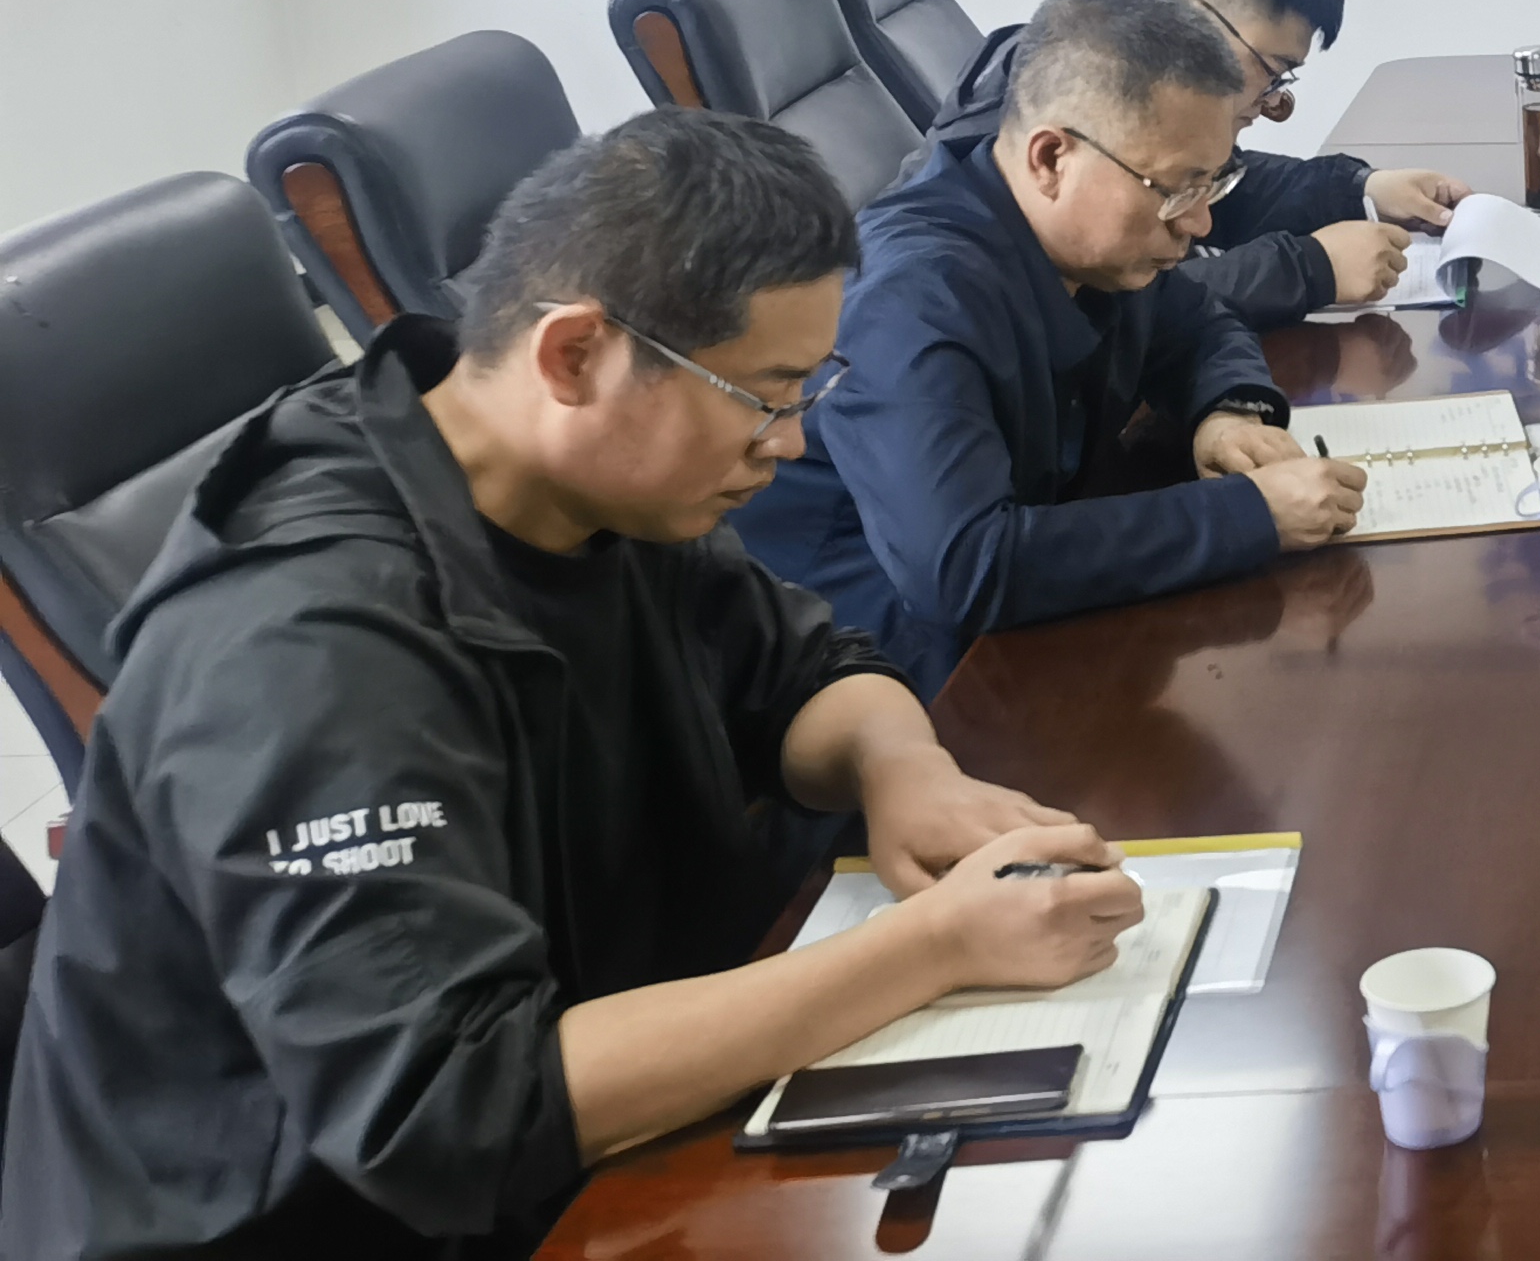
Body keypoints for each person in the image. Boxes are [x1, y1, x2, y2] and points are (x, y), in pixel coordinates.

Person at [4, 109, 1145, 1258]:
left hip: (601, 1122)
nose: (791, 442)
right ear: (574, 355)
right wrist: (931, 946)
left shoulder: (581, 477)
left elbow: (804, 665)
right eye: (767, 394)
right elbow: (456, 1105)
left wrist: (901, 768)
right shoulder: (305, 648)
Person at [742, 0, 1370, 696]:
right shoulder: (913, 301)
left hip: (1024, 613)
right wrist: (1250, 515)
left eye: (1212, 185)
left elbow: (1199, 322)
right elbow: (965, 568)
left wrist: (1227, 412)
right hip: (883, 670)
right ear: (1050, 159)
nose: (1198, 223)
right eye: (1177, 190)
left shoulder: (1099, 246)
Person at [931, 0, 1471, 330]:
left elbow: (1224, 192)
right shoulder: (1040, 119)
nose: (1272, 103)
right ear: (1196, 21)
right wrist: (1310, 269)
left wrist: (1359, 189)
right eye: (1271, 70)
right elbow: (1118, 303)